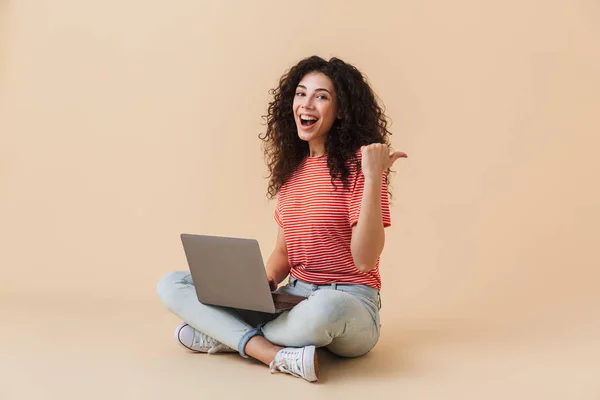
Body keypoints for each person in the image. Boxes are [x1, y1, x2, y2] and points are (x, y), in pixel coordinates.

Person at [156, 55, 407, 382]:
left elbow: (364, 260)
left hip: (348, 303)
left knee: (323, 308)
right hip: (293, 297)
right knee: (172, 284)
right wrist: (261, 285)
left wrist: (374, 177)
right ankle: (271, 352)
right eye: (301, 93)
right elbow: (284, 254)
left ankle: (228, 337)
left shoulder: (361, 166)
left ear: (341, 110)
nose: (307, 104)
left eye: (321, 96)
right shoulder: (293, 173)